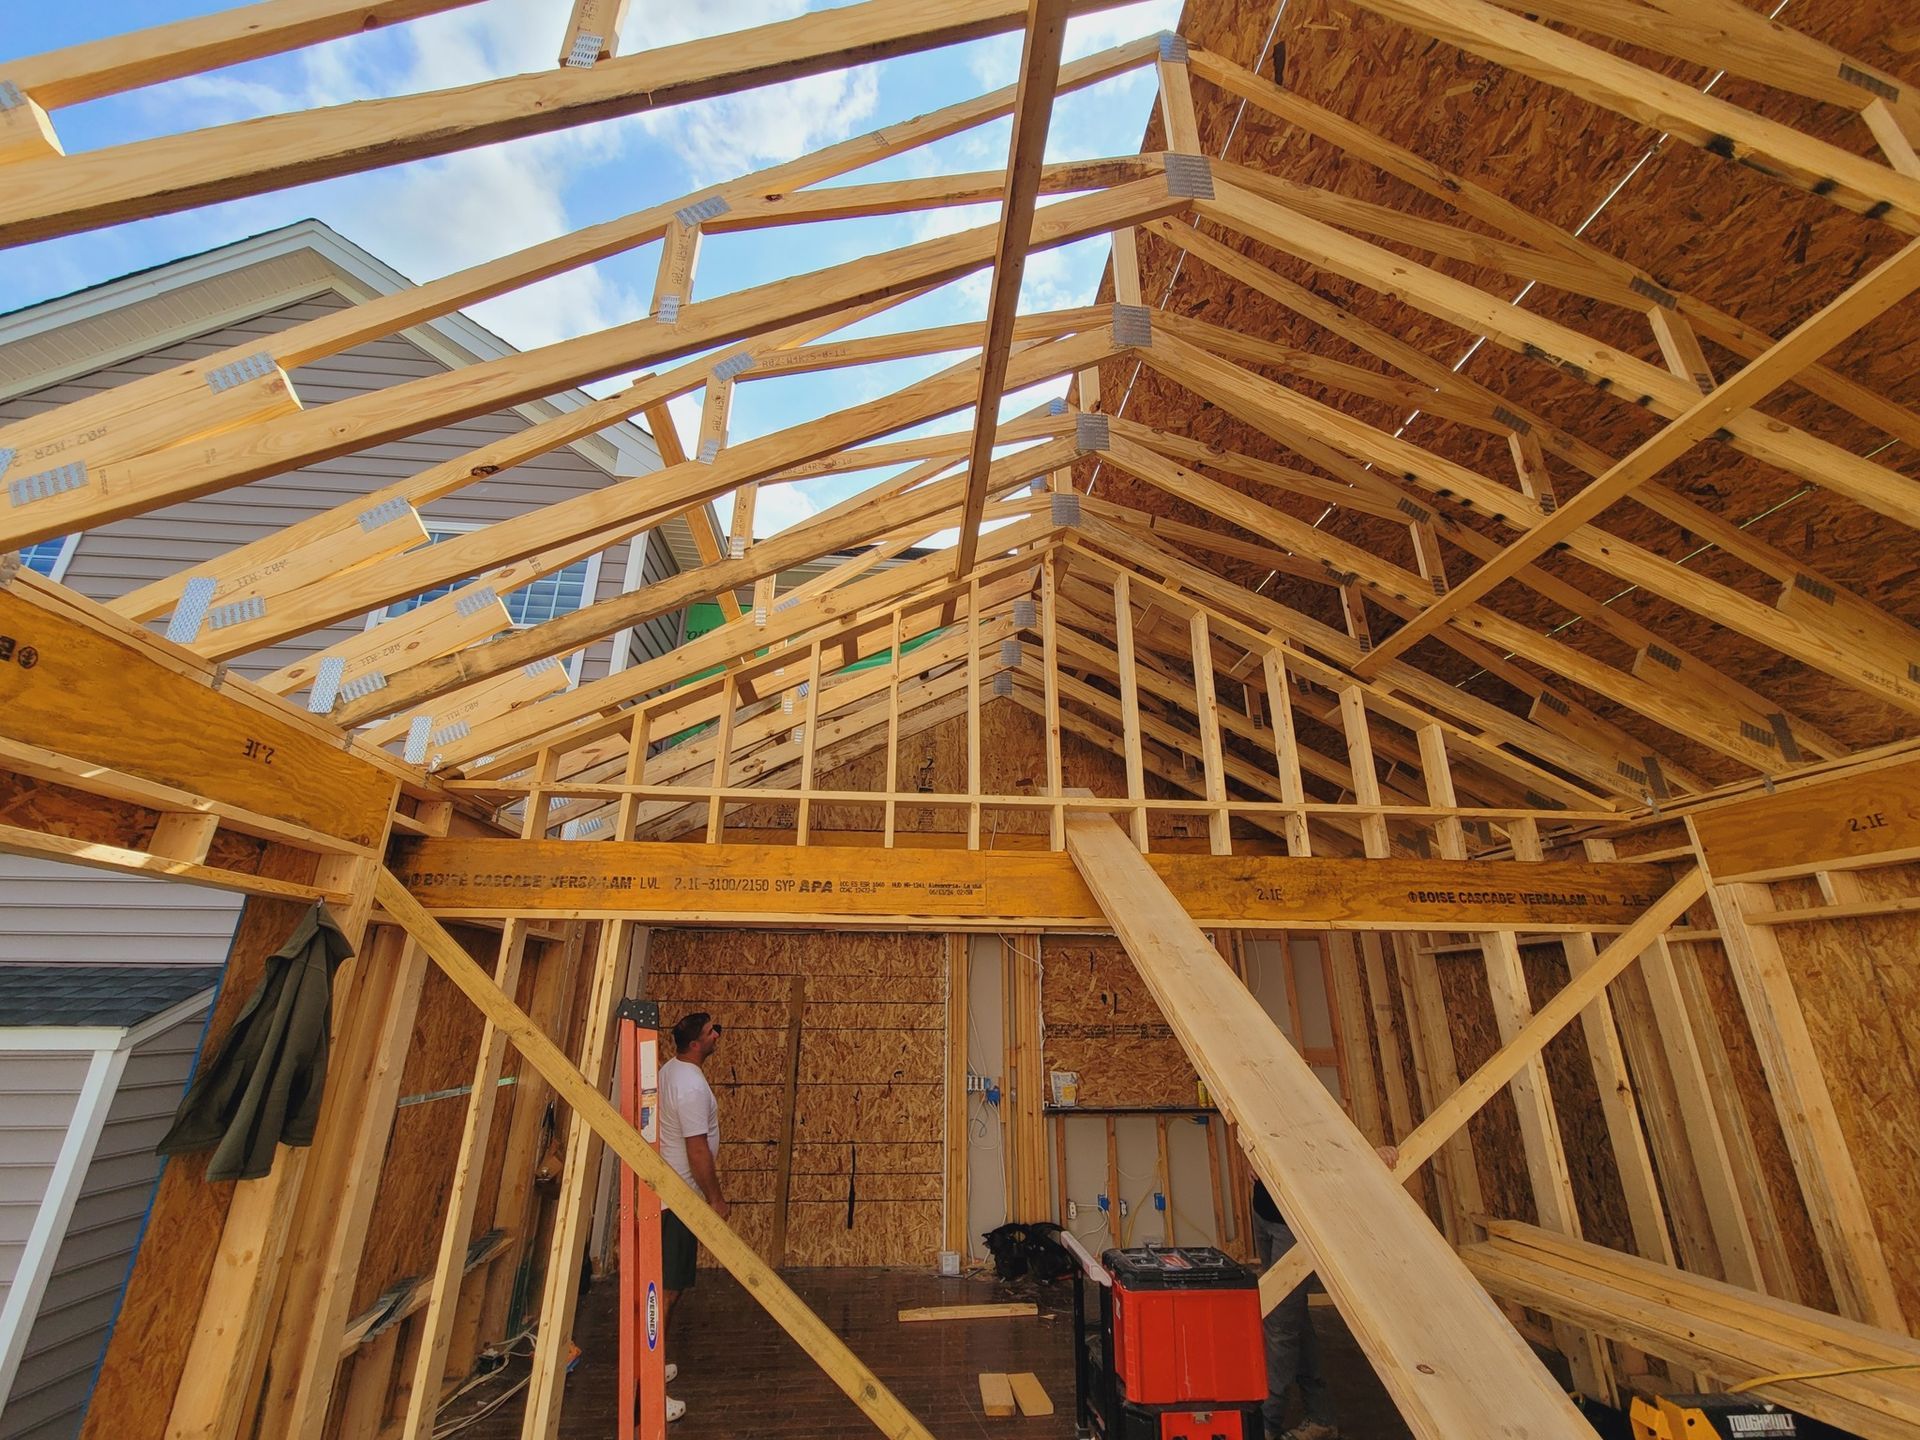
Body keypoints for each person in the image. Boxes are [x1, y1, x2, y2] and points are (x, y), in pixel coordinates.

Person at [1252, 1145, 1398, 1440]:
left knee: (1281, 1327)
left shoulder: (1310, 1100)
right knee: (1293, 1319)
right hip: (1264, 1211)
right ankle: (1320, 1416)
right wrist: (1252, 1155)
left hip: (1295, 1224)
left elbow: (1326, 1141)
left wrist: (1368, 1154)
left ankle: (1267, 1424)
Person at [657, 1011, 727, 1424]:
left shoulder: (673, 1070)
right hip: (677, 1199)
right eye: (710, 1032)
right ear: (697, 1044)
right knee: (667, 1291)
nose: (717, 1035)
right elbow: (697, 1149)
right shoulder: (691, 1088)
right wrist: (714, 1199)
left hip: (672, 1195)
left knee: (671, 1287)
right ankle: (650, 1389)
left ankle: (656, 1359)